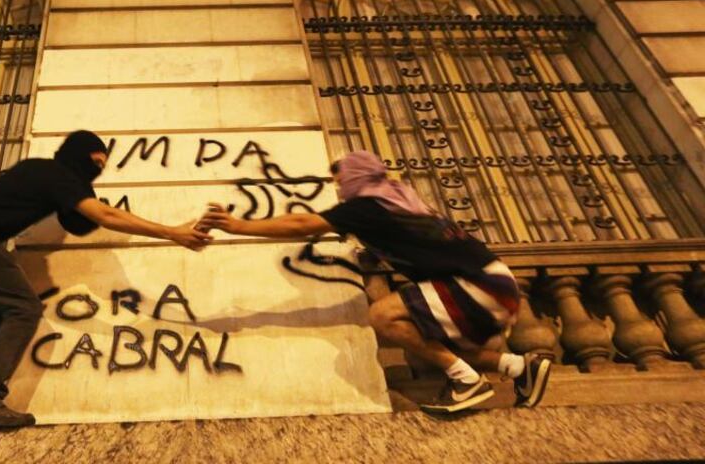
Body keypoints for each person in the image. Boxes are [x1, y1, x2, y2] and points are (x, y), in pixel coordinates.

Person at [0, 130, 212, 431]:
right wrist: (173, 233)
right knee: (23, 310)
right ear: (80, 156)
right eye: (95, 164)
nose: (96, 171)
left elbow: (78, 221)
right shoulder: (55, 174)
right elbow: (104, 216)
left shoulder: (46, 174)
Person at [198, 150, 551, 414]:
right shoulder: (395, 199)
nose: (338, 188)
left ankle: (466, 380)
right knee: (427, 338)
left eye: (340, 180)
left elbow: (300, 224)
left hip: (477, 285)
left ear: (356, 177)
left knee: (383, 316)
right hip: (496, 285)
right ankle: (518, 367)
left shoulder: (367, 207)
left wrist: (238, 226)